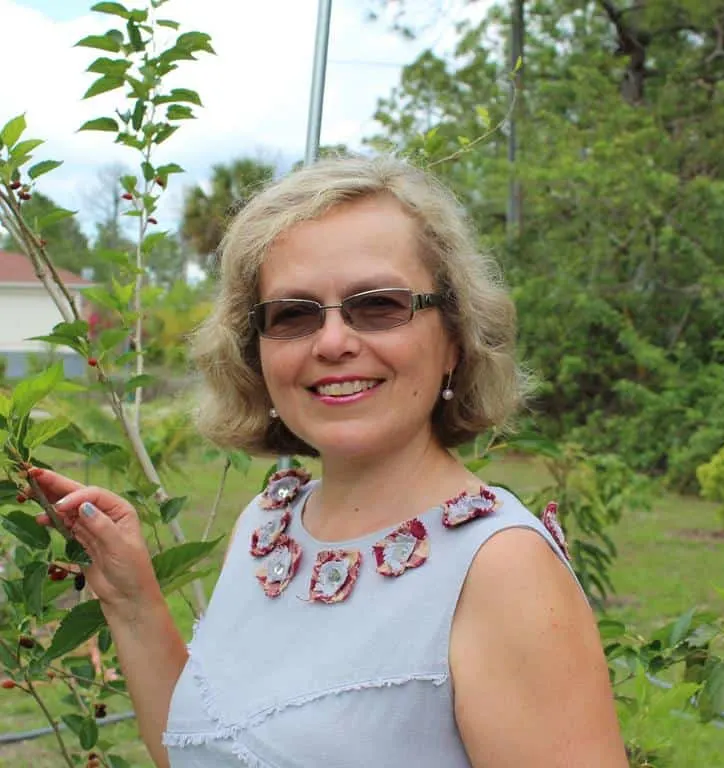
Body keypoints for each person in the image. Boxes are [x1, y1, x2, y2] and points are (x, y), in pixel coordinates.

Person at [32, 156, 629, 767]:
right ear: (256, 353)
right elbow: (208, 755)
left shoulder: (500, 569)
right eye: (293, 313)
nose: (334, 341)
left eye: (378, 305)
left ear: (454, 338)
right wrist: (132, 601)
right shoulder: (268, 525)